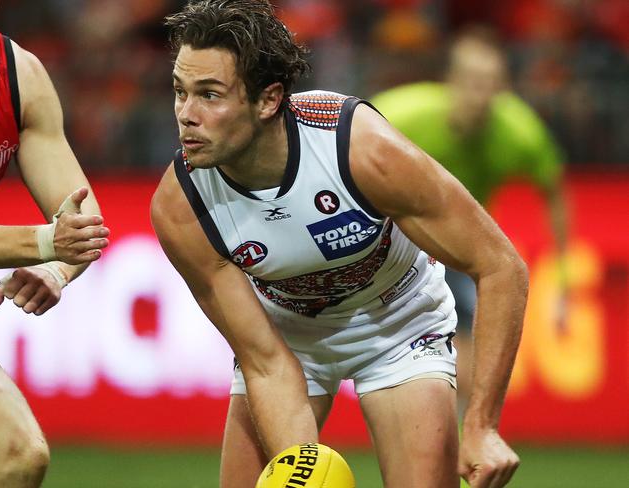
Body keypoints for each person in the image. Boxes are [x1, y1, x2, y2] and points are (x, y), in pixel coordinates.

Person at [151, 2, 527, 487]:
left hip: (398, 323)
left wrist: (481, 426)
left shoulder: (359, 149)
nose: (186, 115)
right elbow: (265, 362)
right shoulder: (180, 208)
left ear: (268, 100)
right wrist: (300, 467)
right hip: (286, 334)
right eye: (180, 92)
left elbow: (500, 266)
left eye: (210, 95)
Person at [371, 26, 568, 405]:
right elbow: (340, 143)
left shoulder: (520, 132)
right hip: (391, 234)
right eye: (472, 81)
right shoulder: (402, 113)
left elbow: (555, 191)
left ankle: (470, 430)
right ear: (450, 81)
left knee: (475, 334)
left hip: (461, 241)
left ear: (503, 88)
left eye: (491, 84)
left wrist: (561, 281)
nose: (480, 94)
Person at [0, 1, 109, 486]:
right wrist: (43, 242)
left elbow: (79, 214)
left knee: (17, 459)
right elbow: (53, 234)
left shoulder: (21, 76)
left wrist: (57, 268)